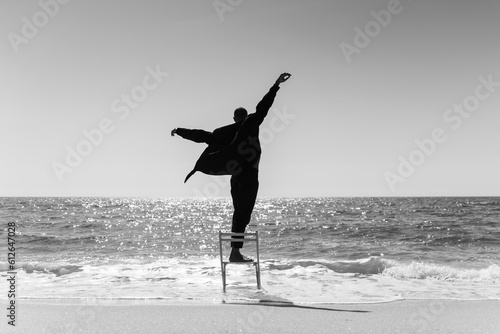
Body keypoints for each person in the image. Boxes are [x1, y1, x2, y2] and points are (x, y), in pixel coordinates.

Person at [171, 73, 291, 262]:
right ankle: (235, 253)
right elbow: (263, 107)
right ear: (245, 117)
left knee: (239, 214)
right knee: (243, 214)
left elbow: (203, 136)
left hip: (235, 177)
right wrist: (276, 85)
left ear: (234, 118)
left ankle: (235, 251)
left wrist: (180, 131)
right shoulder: (252, 124)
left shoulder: (225, 133)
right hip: (249, 175)